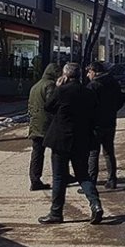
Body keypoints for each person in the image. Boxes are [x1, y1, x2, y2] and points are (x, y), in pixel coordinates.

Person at [38, 63, 103, 225]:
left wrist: (58, 88)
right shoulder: (88, 92)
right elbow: (95, 114)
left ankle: (56, 213)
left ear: (66, 76)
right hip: (81, 139)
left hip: (60, 140)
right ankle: (95, 204)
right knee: (83, 174)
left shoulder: (61, 91)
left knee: (59, 177)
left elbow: (48, 107)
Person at [86, 62, 123, 190]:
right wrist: (110, 111)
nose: (87, 75)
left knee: (93, 153)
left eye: (89, 72)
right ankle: (112, 179)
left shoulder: (93, 86)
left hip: (96, 125)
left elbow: (88, 107)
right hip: (110, 122)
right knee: (109, 152)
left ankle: (91, 182)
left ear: (94, 71)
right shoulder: (113, 83)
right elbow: (120, 102)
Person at [27, 63, 59, 191]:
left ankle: (35, 179)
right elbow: (52, 104)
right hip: (47, 124)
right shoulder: (50, 85)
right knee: (58, 151)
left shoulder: (35, 86)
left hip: (35, 123)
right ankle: (61, 175)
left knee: (37, 152)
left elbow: (30, 105)